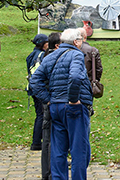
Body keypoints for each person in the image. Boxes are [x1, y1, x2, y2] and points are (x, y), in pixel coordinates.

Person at [29, 28, 93, 180]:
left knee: (58, 149)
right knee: (79, 150)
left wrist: (48, 99)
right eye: (81, 40)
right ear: (76, 41)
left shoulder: (50, 56)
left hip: (55, 107)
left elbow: (34, 80)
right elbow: (76, 77)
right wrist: (73, 99)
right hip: (73, 108)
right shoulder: (76, 54)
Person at [40, 32, 61, 180]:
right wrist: (47, 99)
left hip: (54, 102)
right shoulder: (50, 59)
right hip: (51, 103)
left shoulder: (47, 56)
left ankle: (52, 171)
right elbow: (36, 81)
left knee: (53, 138)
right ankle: (48, 173)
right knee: (49, 139)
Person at [26, 33, 49, 151]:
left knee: (38, 115)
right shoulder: (41, 55)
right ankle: (37, 142)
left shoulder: (31, 55)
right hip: (40, 88)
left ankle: (36, 141)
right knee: (42, 115)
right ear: (43, 44)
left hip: (32, 88)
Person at [79, 21, 102, 112]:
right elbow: (99, 69)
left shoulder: (67, 49)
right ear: (85, 36)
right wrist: (95, 80)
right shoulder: (92, 50)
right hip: (88, 83)